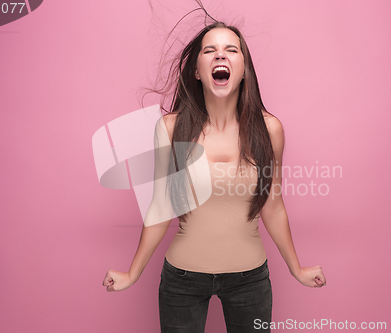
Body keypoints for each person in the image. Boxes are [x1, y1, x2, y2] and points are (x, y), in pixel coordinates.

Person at [102, 20, 326, 333]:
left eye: (230, 50)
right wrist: (132, 273)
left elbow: (272, 206)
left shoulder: (269, 129)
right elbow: (160, 207)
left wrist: (297, 269)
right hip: (182, 280)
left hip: (250, 281)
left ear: (244, 69)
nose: (220, 56)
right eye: (210, 50)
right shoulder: (169, 128)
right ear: (197, 70)